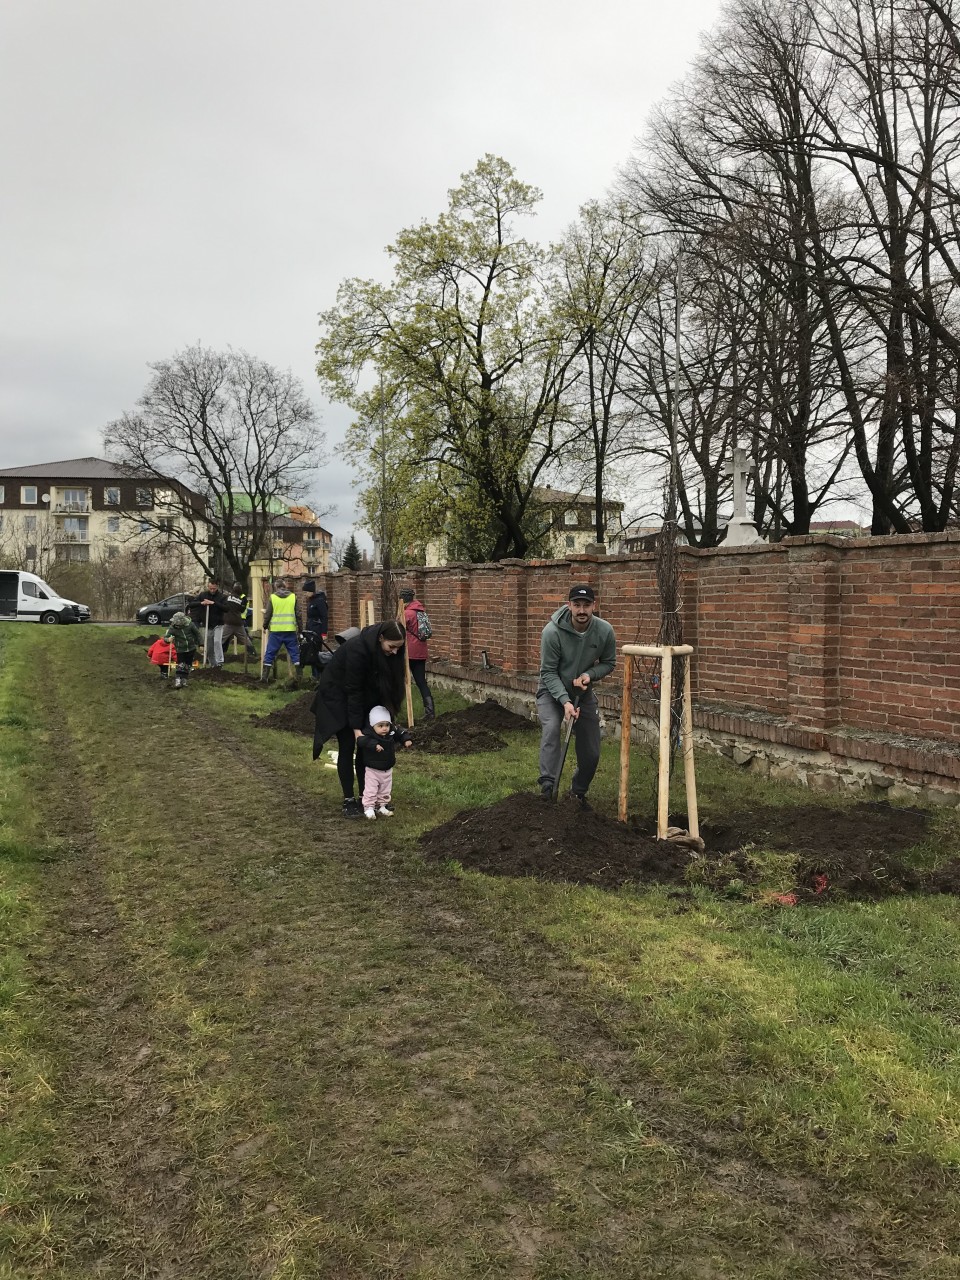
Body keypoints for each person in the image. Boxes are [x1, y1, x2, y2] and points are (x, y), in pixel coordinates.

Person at [310, 619, 407, 818]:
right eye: (392, 647)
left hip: (363, 698)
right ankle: (348, 800)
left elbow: (385, 686)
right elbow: (353, 691)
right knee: (347, 745)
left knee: (366, 747)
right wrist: (356, 729)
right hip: (338, 697)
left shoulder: (386, 653)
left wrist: (385, 717)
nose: (395, 652)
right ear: (381, 639)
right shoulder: (357, 650)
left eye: (399, 648)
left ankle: (367, 797)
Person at [537, 584, 616, 810]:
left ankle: (577, 793)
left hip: (583, 693)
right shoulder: (551, 633)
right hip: (551, 692)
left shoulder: (604, 631)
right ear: (568, 605)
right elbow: (548, 673)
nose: (582, 610)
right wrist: (565, 701)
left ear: (594, 605)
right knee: (552, 727)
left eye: (586, 605)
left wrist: (588, 675)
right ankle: (548, 787)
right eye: (577, 605)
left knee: (591, 752)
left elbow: (609, 663)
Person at [357, 704, 413, 819]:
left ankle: (381, 805)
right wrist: (374, 745)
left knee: (385, 789)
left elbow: (401, 732)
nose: (384, 728)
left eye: (387, 725)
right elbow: (361, 741)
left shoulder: (391, 732)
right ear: (373, 725)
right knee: (371, 789)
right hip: (373, 769)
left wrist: (406, 739)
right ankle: (368, 807)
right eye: (381, 725)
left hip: (387, 768)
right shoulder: (368, 734)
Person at [399, 587, 435, 718]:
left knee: (400, 680)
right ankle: (430, 712)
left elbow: (397, 631)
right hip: (421, 651)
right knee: (421, 682)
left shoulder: (406, 614)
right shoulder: (421, 611)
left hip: (408, 652)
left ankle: (396, 710)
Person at [261, 576, 302, 683]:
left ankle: (264, 678)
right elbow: (298, 614)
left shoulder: (273, 598)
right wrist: (301, 629)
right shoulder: (293, 597)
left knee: (270, 653)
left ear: (276, 587)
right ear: (285, 586)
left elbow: (268, 614)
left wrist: (265, 626)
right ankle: (299, 677)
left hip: (276, 631)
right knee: (295, 653)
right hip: (290, 630)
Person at [164, 611, 203, 690]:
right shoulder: (172, 628)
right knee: (181, 665)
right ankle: (178, 680)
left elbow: (198, 634)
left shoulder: (190, 625)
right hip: (180, 649)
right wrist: (168, 639)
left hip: (191, 648)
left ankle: (184, 680)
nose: (177, 625)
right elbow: (166, 637)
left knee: (188, 665)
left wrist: (201, 644)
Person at [195, 577, 227, 667]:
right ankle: (213, 664)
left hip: (218, 624)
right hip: (208, 624)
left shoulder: (222, 597)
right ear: (208, 587)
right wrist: (201, 603)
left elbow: (226, 608)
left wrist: (213, 603)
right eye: (210, 588)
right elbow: (192, 604)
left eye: (214, 588)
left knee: (217, 641)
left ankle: (220, 661)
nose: (212, 590)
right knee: (208, 645)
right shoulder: (203, 595)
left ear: (217, 587)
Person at [302, 580, 330, 681]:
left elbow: (324, 617)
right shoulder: (311, 601)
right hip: (310, 630)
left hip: (317, 631)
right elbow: (309, 618)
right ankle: (314, 674)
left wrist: (323, 633)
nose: (305, 594)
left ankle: (318, 675)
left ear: (311, 591)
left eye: (306, 592)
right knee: (311, 652)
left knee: (316, 652)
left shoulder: (320, 601)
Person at [220, 582, 257, 657]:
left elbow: (223, 606)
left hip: (228, 622)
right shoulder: (241, 600)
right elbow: (242, 610)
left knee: (221, 639)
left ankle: (216, 653)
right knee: (245, 638)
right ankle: (253, 652)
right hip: (238, 622)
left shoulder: (227, 597)